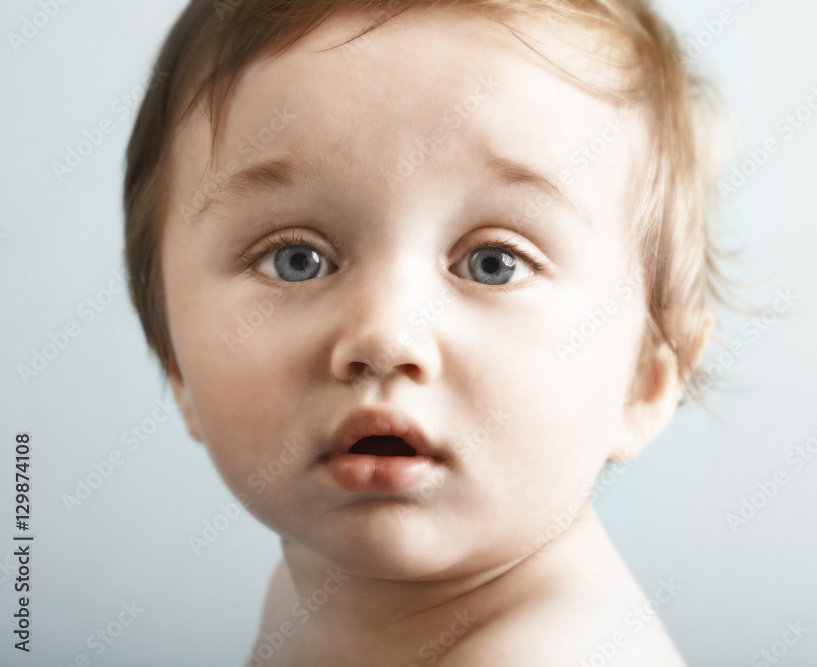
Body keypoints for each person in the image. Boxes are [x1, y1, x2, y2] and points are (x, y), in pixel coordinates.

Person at [123, 0, 726, 663]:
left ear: (646, 377)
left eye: (493, 264)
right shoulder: (305, 596)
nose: (384, 335)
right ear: (176, 360)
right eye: (296, 260)